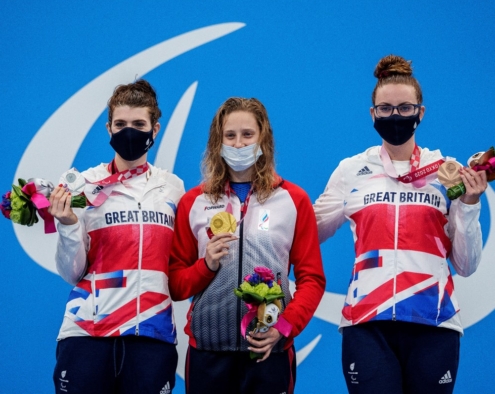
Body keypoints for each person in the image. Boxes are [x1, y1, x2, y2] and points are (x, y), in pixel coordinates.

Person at [314, 55, 488, 393]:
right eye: (386, 109)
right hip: (367, 323)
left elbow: (466, 266)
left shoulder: (446, 172)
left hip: (434, 321)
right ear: (372, 114)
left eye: (405, 108)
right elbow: (309, 230)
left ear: (421, 112)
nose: (396, 116)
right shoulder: (352, 170)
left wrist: (469, 204)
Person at [168, 97, 326, 394]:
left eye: (247, 135)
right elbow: (176, 284)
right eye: (230, 136)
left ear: (263, 139)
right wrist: (206, 266)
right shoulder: (194, 202)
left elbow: (312, 279)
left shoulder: (293, 200)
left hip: (269, 350)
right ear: (218, 142)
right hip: (208, 354)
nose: (239, 144)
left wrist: (283, 329)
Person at [48, 79, 185, 393]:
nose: (129, 132)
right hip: (87, 335)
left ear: (155, 129)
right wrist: (68, 223)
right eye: (120, 124)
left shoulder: (172, 188)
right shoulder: (83, 184)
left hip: (151, 335)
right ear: (108, 129)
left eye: (139, 124)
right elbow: (72, 272)